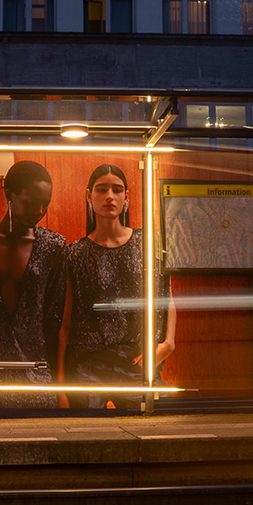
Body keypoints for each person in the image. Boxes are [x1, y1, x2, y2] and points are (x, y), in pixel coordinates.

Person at [58, 164, 176, 410]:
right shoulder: (74, 254)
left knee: (151, 430)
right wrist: (60, 386)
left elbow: (166, 295)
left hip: (136, 359)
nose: (109, 196)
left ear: (127, 196)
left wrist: (168, 343)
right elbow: (66, 321)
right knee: (85, 436)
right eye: (102, 189)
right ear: (89, 196)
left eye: (117, 189)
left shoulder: (149, 243)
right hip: (86, 362)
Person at [0, 160, 64, 408]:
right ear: (10, 195)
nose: (39, 211)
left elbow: (56, 317)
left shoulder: (53, 246)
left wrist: (61, 383)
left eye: (46, 204)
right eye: (31, 203)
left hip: (37, 372)